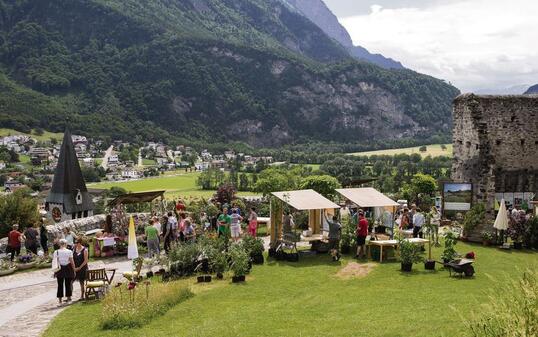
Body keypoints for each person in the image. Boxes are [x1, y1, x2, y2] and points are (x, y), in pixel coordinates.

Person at [53, 239, 75, 304]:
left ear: (59, 244)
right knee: (68, 284)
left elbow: (55, 262)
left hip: (59, 268)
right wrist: (74, 269)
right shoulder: (69, 251)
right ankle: (68, 299)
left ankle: (60, 300)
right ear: (66, 244)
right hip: (68, 267)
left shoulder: (56, 252)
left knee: (60, 284)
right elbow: (72, 262)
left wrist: (54, 272)